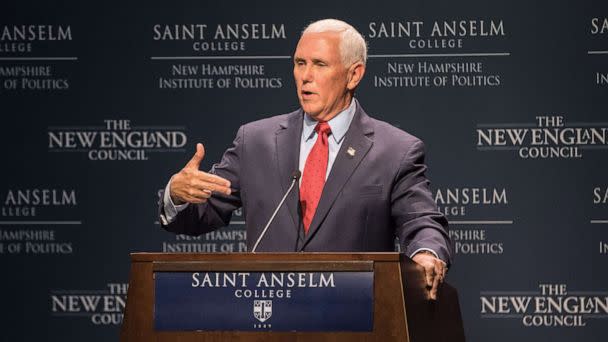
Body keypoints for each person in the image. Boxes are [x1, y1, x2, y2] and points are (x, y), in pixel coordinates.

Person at [159, 19, 452, 300]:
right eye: (300, 63)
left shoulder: (394, 151)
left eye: (320, 64)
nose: (305, 76)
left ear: (354, 74)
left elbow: (422, 220)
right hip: (267, 317)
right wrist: (177, 194)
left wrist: (427, 253)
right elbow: (200, 215)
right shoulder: (256, 141)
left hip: (356, 318)